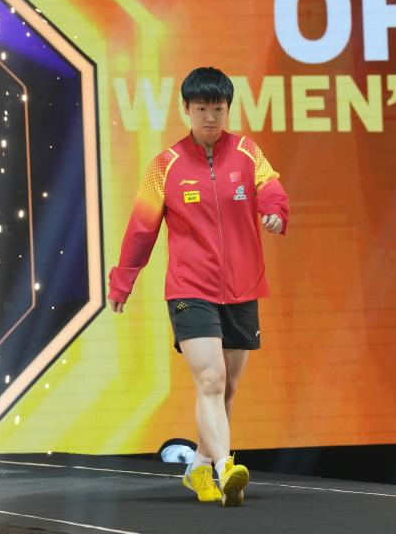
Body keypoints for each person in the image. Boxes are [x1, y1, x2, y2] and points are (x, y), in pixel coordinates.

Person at [107, 66, 289, 507]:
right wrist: (122, 282)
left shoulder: (248, 152)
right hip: (190, 290)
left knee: (227, 388)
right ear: (186, 109)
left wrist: (275, 212)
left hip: (244, 288)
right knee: (210, 378)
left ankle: (199, 468)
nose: (210, 117)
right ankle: (226, 468)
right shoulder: (164, 166)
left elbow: (271, 189)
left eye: (218, 108)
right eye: (202, 108)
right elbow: (141, 230)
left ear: (228, 109)